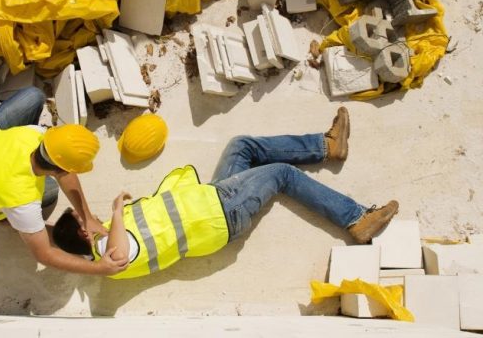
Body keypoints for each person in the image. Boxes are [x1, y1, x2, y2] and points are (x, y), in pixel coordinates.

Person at [52, 107, 399, 278]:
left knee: (241, 147)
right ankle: (356, 218)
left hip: (211, 199)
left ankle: (327, 145)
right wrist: (114, 212)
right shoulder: (108, 254)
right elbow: (121, 252)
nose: (88, 213)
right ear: (84, 231)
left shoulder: (100, 246)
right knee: (281, 174)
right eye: (82, 216)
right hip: (223, 214)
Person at [0, 86, 128, 276]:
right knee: (50, 192)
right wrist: (99, 268)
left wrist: (87, 218)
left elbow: (63, 170)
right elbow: (44, 254)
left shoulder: (33, 134)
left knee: (34, 96)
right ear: (59, 169)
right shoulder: (23, 199)